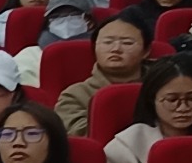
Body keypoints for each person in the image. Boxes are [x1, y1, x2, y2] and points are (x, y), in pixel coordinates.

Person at [55, 7, 153, 136]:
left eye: (127, 43)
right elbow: (82, 135)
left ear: (146, 51)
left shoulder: (163, 87)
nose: (116, 49)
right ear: (94, 48)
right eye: (108, 42)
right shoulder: (75, 95)